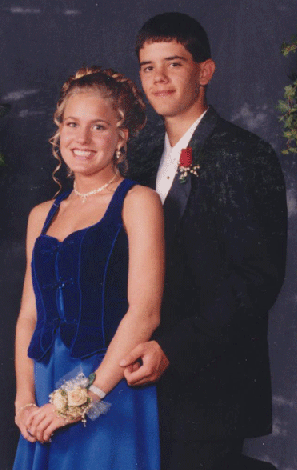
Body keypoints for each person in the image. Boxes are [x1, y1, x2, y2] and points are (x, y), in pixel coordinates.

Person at [121, 12, 288, 470]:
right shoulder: (138, 156)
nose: (158, 79)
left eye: (173, 64)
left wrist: (173, 348)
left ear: (205, 71)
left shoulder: (246, 155)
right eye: (148, 66)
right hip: (136, 384)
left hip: (210, 386)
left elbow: (257, 280)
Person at [13, 66, 164, 470]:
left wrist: (79, 401)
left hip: (107, 387)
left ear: (122, 136)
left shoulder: (138, 202)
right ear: (58, 130)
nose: (81, 139)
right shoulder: (40, 215)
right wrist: (24, 401)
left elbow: (144, 314)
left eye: (98, 126)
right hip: (44, 386)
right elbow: (29, 317)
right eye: (72, 124)